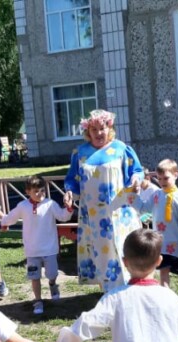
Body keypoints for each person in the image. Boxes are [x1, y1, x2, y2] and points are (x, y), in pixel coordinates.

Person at [65, 109, 145, 291]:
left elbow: (137, 171)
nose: (99, 133)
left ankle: (129, 288)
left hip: (119, 213)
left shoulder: (121, 149)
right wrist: (69, 192)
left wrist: (136, 180)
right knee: (101, 252)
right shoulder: (80, 153)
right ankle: (109, 292)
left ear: (109, 128)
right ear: (88, 131)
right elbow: (72, 179)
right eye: (94, 129)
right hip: (93, 216)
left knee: (123, 248)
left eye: (102, 128)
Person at [0, 175, 74, 315]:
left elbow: (63, 217)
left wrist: (68, 209)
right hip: (32, 250)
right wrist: (4, 223)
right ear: (28, 191)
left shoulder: (50, 204)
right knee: (35, 277)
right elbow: (12, 217)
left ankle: (52, 284)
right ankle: (38, 300)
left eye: (42, 191)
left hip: (50, 248)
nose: (40, 194)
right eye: (36, 191)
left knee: (52, 273)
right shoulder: (23, 206)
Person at [130, 159, 178, 299]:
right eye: (159, 178)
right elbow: (143, 208)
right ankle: (165, 296)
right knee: (163, 268)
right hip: (160, 240)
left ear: (175, 175)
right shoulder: (156, 195)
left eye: (166, 178)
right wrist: (133, 196)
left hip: (176, 241)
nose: (162, 181)